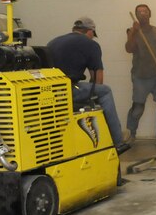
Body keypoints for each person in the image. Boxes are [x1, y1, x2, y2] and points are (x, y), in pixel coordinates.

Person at [47, 17, 128, 152]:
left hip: (49, 92)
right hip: (69, 90)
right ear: (90, 31)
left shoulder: (53, 42)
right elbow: (98, 79)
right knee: (105, 91)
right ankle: (117, 141)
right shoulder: (91, 45)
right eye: (93, 35)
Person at [124, 4, 156, 146]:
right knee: (138, 108)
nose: (142, 13)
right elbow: (129, 49)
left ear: (150, 14)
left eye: (145, 11)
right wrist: (134, 32)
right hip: (140, 75)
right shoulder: (131, 31)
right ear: (136, 15)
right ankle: (130, 134)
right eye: (139, 12)